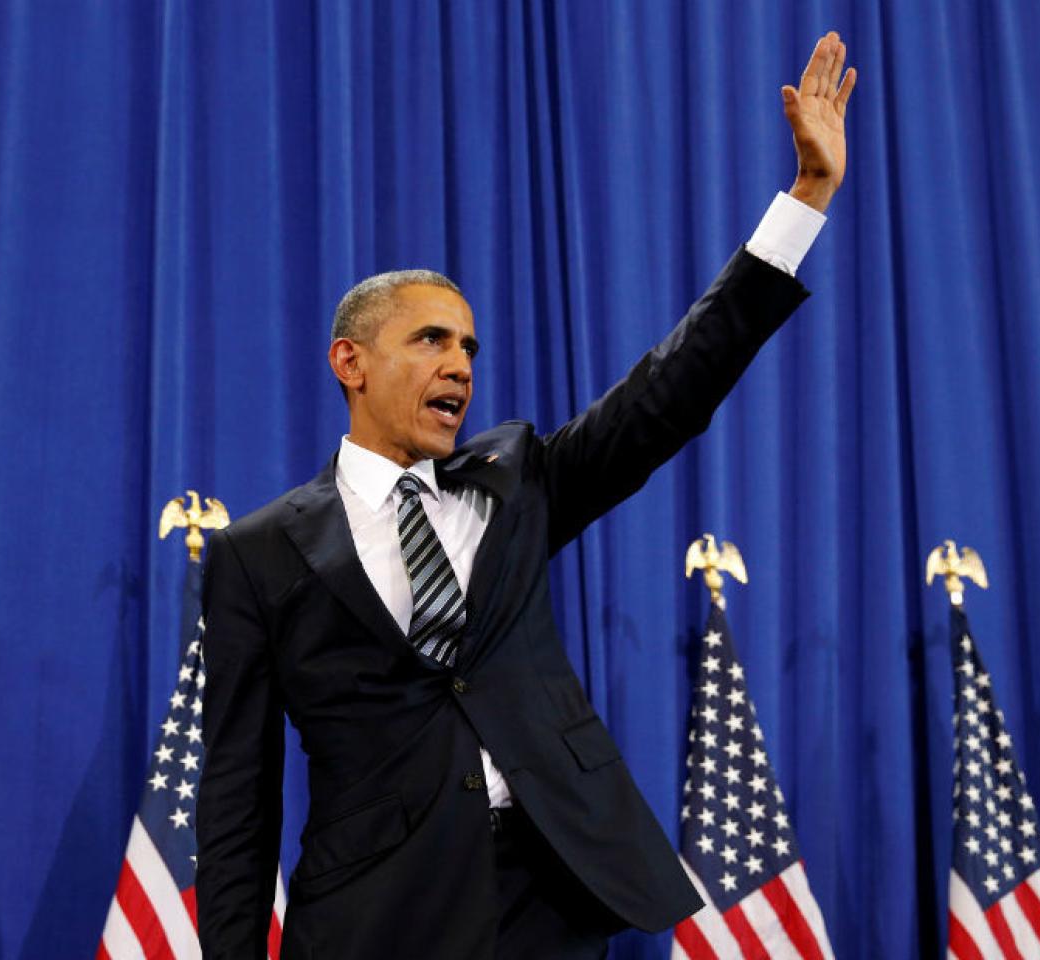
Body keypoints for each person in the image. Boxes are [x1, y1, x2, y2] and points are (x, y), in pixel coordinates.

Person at [197, 32, 857, 959]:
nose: (459, 365)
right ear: (350, 362)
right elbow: (236, 791)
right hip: (380, 916)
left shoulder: (516, 483)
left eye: (469, 347)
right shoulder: (257, 553)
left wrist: (805, 201)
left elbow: (669, 390)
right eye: (430, 341)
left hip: (552, 895)